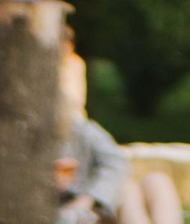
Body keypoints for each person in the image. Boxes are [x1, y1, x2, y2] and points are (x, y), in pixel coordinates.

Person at [54, 43, 180, 224]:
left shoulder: (81, 130)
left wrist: (88, 199)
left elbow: (117, 162)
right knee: (127, 189)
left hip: (90, 203)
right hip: (68, 212)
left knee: (157, 181)